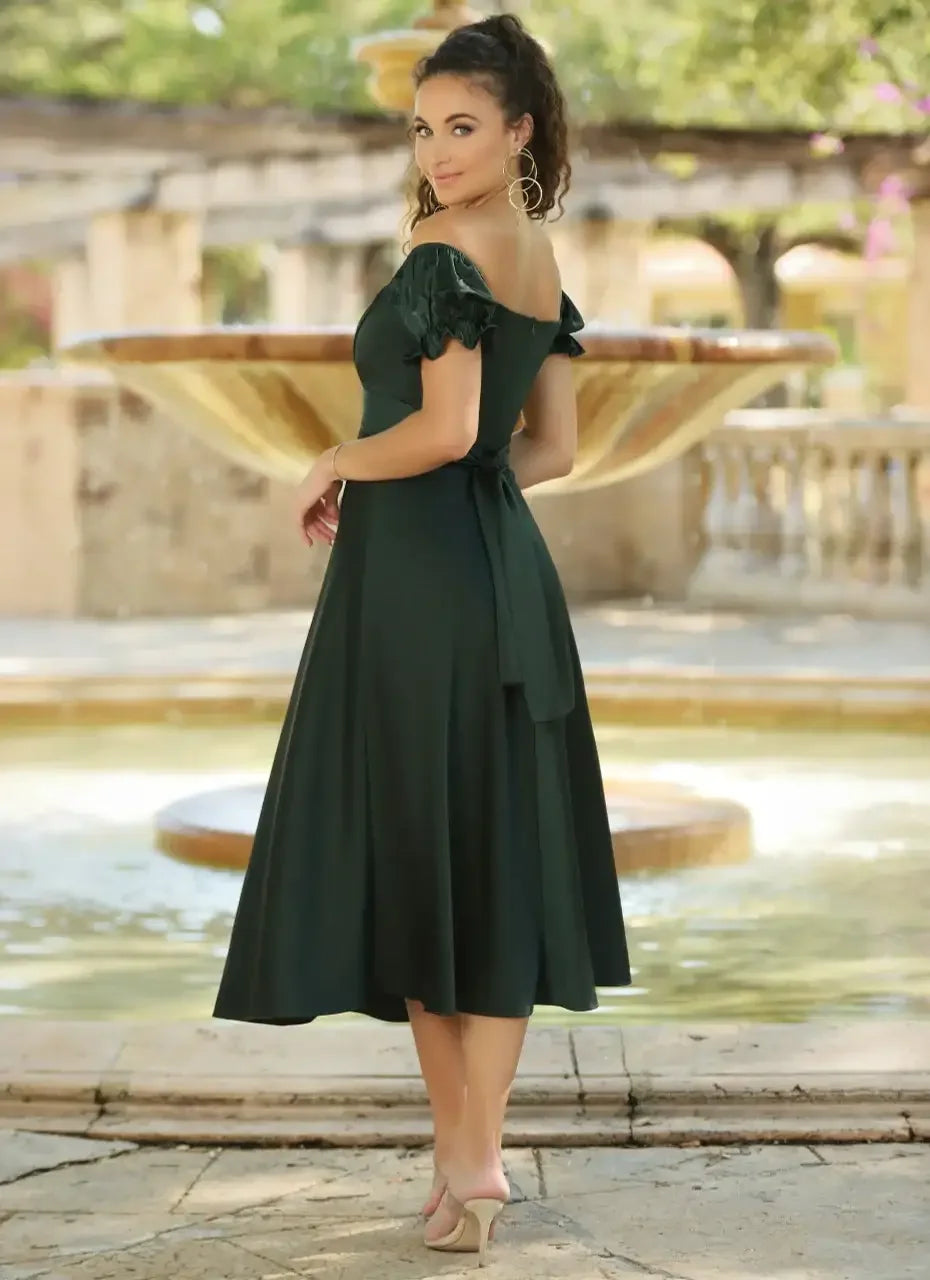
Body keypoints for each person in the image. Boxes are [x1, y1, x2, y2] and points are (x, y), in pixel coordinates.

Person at [213, 10, 631, 1266]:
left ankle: (468, 1155)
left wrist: (333, 456)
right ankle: (470, 1163)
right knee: (485, 864)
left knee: (416, 852)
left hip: (413, 585)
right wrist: (475, 493)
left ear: (518, 130)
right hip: (499, 567)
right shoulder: (539, 259)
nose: (438, 152)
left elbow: (445, 427)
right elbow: (544, 447)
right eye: (422, 129)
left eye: (463, 126)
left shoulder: (445, 249)